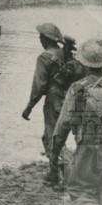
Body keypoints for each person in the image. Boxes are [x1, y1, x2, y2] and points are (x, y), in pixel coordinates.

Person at [51, 38, 102, 205]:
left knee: (80, 189)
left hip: (89, 147)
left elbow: (63, 125)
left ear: (83, 64)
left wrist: (55, 153)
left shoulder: (78, 89)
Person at [22, 23, 82, 179]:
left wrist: (29, 107)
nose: (39, 39)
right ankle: (58, 170)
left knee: (52, 137)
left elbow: (39, 85)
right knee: (61, 136)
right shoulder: (67, 54)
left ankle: (59, 172)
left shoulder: (44, 57)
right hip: (72, 97)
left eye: (40, 37)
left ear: (44, 39)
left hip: (54, 99)